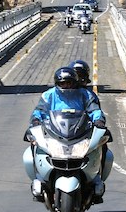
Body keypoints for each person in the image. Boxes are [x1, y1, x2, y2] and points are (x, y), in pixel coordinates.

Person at [26, 66, 108, 203]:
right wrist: (35, 120)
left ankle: (96, 179)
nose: (66, 86)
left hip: (79, 132)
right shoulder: (48, 95)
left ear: (75, 82)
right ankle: (39, 178)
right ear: (57, 83)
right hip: (55, 132)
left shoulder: (85, 94)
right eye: (62, 83)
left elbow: (94, 110)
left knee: (102, 144)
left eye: (69, 82)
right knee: (34, 144)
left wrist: (99, 120)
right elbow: (39, 111)